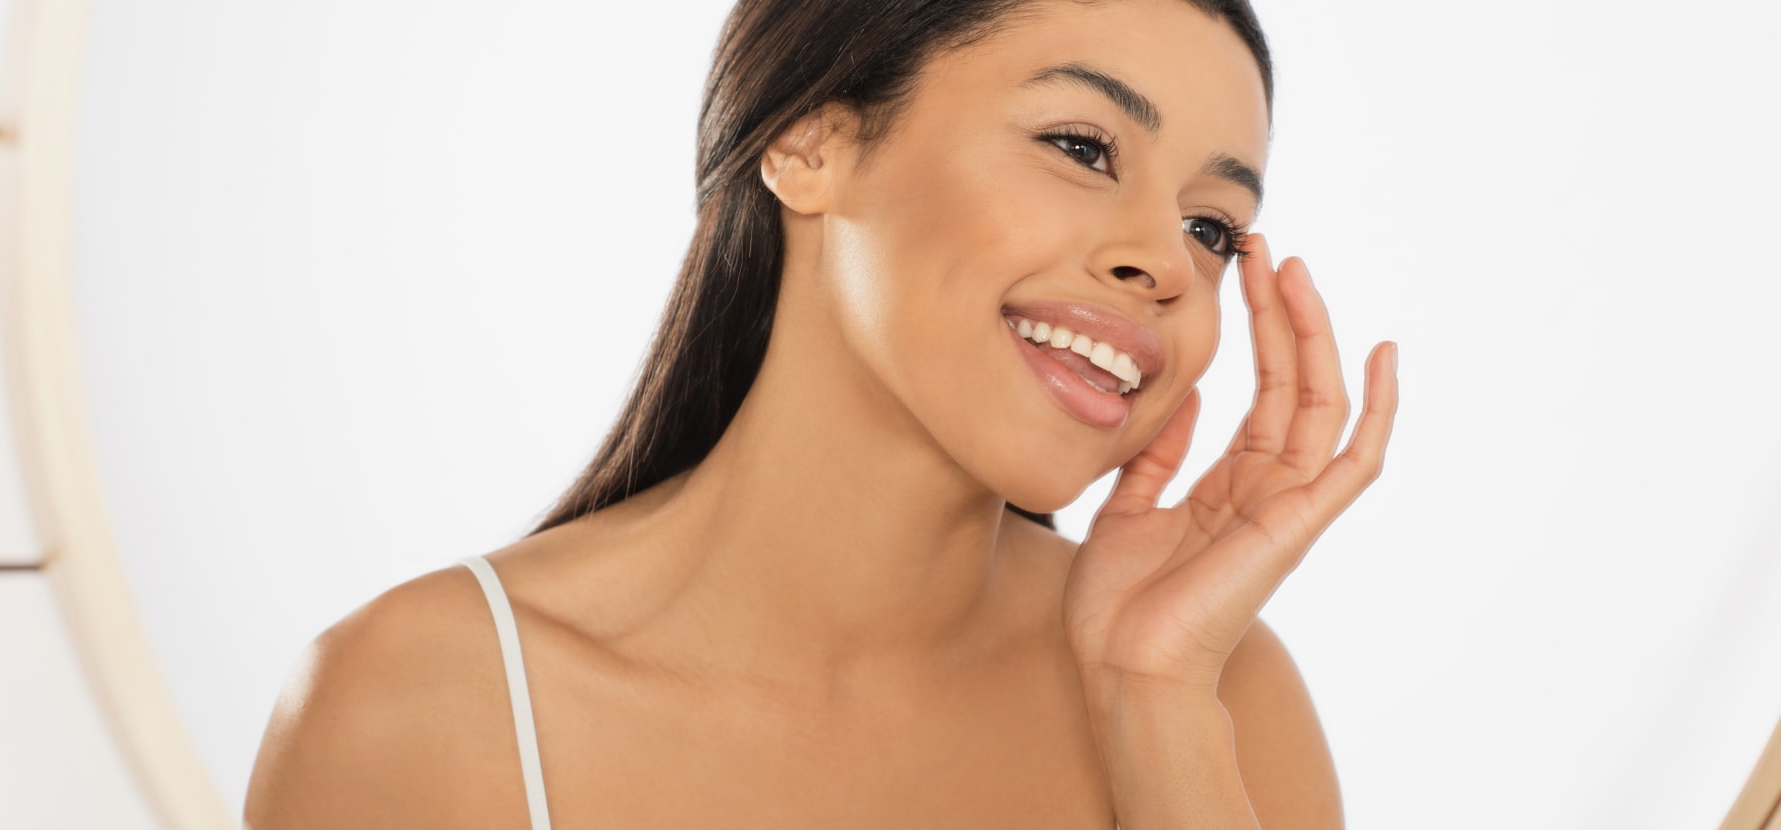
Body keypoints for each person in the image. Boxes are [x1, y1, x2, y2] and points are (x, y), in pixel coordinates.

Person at [244, 0, 1398, 826]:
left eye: (1212, 226)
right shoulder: (428, 705)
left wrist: (1154, 709)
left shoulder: (1215, 694)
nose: (1163, 260)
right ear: (809, 144)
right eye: (1081, 146)